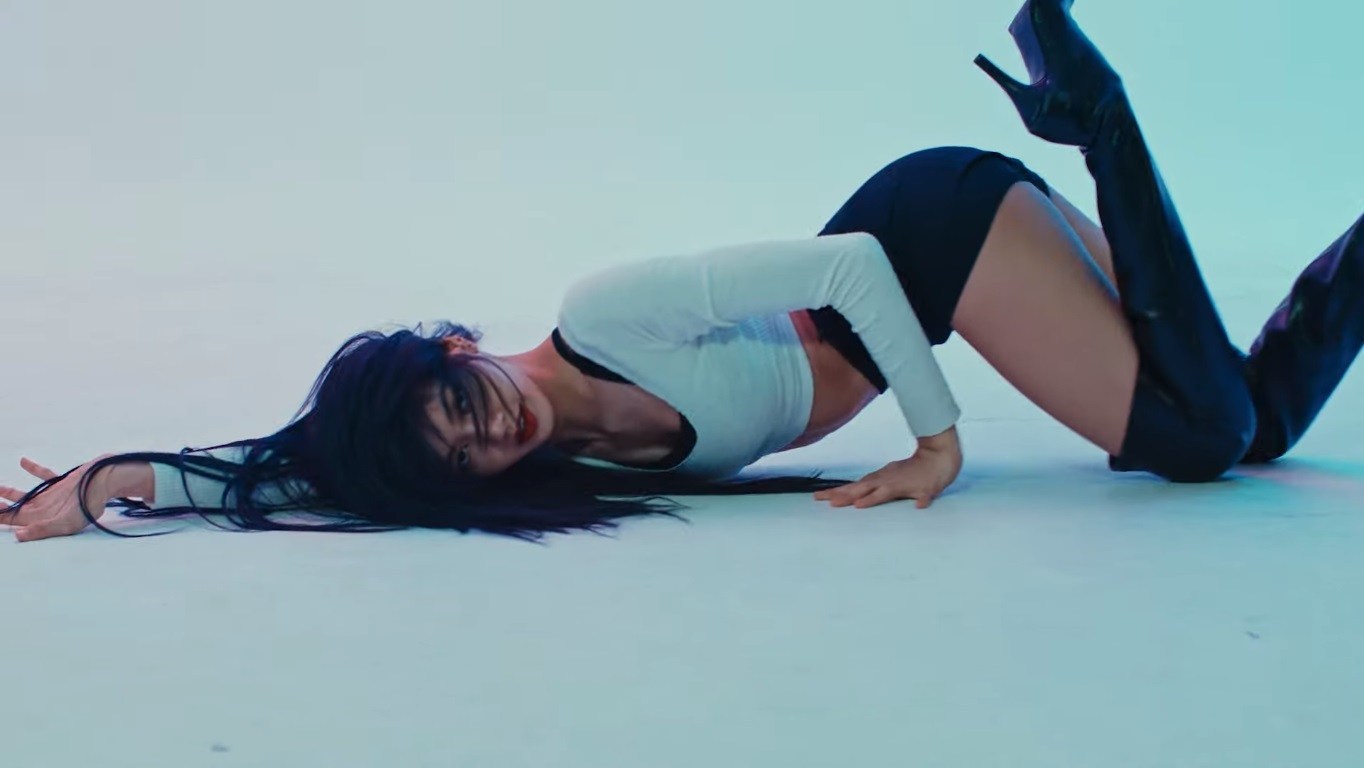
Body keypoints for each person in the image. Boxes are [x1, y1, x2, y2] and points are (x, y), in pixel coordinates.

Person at [3, 0, 1360, 543]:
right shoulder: (550, 455)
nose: (488, 432)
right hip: (933, 260)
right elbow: (311, 472)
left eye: (461, 398)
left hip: (931, 239)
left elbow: (853, 263)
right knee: (1253, 419)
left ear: (460, 348)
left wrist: (937, 445)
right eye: (460, 454)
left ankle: (1099, 110)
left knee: (1197, 439)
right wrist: (112, 483)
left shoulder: (603, 316)